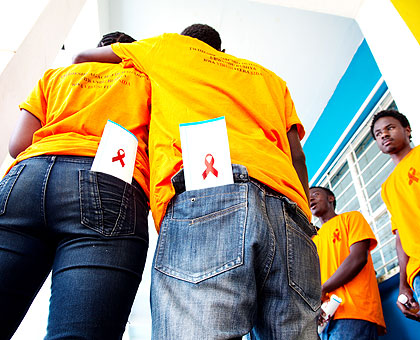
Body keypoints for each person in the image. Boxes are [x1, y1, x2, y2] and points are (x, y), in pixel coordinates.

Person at [74, 23, 321, 339]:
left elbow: (83, 57)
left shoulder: (166, 49)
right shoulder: (268, 78)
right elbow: (297, 157)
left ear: (184, 41)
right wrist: (303, 218)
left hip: (207, 189)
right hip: (287, 208)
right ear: (222, 52)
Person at [0, 32, 151, 339]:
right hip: (108, 183)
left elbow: (18, 145)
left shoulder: (57, 76)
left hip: (25, 179)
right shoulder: (146, 81)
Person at [309, 186, 386, 339]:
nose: (310, 199)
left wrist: (324, 288)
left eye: (315, 194)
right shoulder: (314, 240)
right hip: (325, 320)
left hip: (354, 312)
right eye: (308, 197)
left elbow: (358, 257)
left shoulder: (351, 218)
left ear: (331, 198)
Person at [371, 109, 420, 322]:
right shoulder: (387, 187)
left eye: (389, 128)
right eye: (378, 133)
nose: (384, 135)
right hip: (417, 271)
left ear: (406, 130)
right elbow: (400, 234)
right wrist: (404, 284)